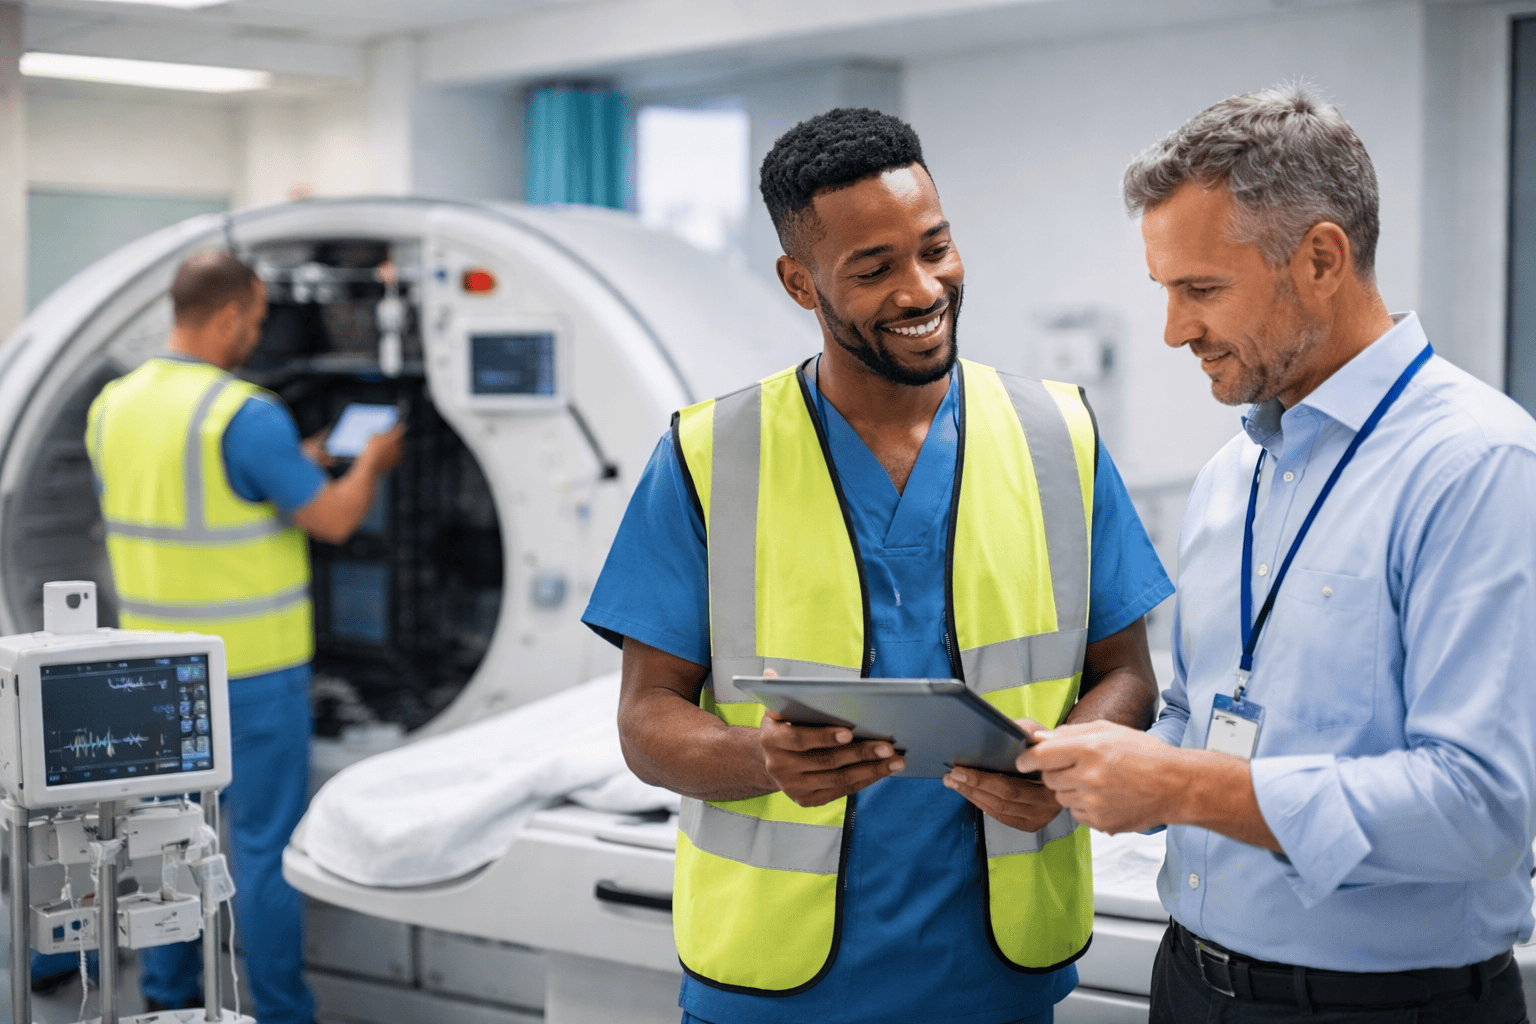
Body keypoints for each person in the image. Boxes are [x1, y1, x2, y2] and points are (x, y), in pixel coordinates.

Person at [582, 107, 1172, 1024]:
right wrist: (761, 759)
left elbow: (1126, 674)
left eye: (936, 247)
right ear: (799, 282)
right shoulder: (709, 456)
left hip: (996, 976)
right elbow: (645, 717)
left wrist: (1061, 763)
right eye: (874, 268)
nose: (922, 288)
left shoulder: (1059, 438)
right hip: (771, 985)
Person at [1016, 87, 1536, 1023]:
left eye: (1201, 289)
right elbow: (1197, 711)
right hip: (1191, 983)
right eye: (1164, 290)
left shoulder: (1476, 466)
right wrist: (1088, 773)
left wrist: (1181, 784)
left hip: (1384, 1008)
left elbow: (1480, 807)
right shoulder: (1233, 475)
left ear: (1322, 259)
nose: (1174, 329)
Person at [84, 251, 405, 1024]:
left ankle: (166, 1001)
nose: (257, 336)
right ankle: (284, 1012)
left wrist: (297, 463)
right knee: (261, 850)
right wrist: (371, 464)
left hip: (148, 671)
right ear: (228, 315)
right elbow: (334, 519)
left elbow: (182, 496)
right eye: (256, 321)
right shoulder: (246, 413)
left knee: (161, 843)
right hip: (251, 674)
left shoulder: (113, 405)